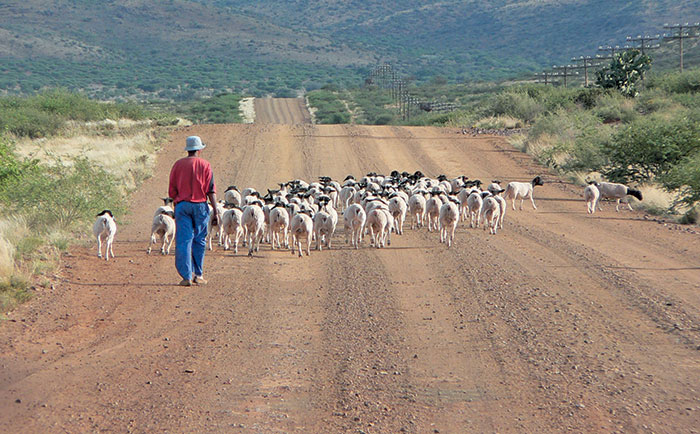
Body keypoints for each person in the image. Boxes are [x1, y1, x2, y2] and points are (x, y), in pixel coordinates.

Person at [168, 136, 220, 286]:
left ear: (188, 149)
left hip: (182, 206)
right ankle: (199, 274)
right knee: (200, 239)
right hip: (200, 205)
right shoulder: (205, 165)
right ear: (199, 149)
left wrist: (178, 200)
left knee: (184, 240)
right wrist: (216, 210)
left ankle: (186, 276)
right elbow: (211, 190)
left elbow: (172, 191)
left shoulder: (177, 165)